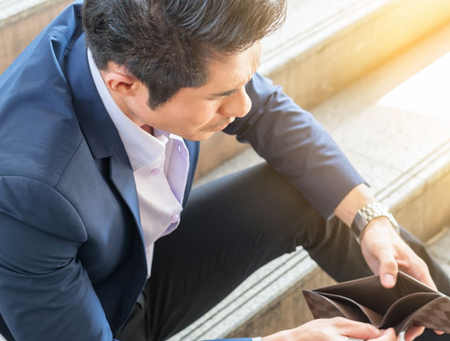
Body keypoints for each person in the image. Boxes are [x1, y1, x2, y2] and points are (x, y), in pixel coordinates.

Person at [0, 0, 449, 340]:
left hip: (141, 252)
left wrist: (373, 219)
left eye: (246, 79)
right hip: (100, 317)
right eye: (221, 96)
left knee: (320, 198)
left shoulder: (140, 32)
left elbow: (270, 111)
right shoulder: (27, 193)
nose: (246, 105)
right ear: (125, 84)